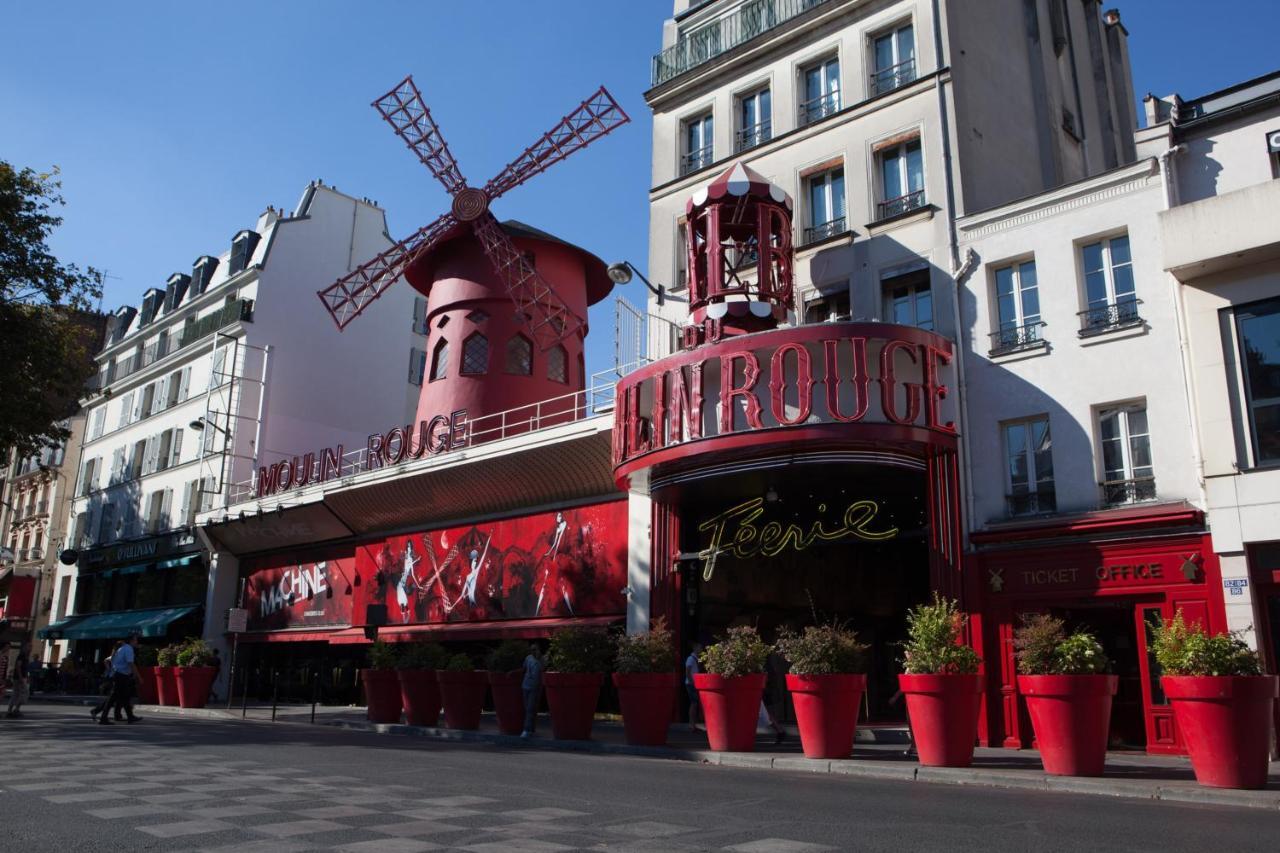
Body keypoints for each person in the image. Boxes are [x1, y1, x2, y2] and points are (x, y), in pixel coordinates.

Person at [99, 634, 141, 725]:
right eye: (135, 640)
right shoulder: (128, 649)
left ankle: (130, 716)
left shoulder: (122, 649)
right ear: (131, 641)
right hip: (121, 676)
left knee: (124, 697)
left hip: (119, 675)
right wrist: (138, 676)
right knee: (113, 697)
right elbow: (131, 663)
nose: (137, 642)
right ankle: (103, 717)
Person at [91, 642, 126, 721]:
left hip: (112, 676)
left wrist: (109, 668)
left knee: (116, 697)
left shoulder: (114, 655)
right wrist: (109, 669)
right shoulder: (117, 655)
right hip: (115, 677)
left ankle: (117, 715)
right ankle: (97, 711)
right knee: (112, 698)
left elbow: (105, 660)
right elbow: (106, 660)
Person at [520, 642, 544, 738]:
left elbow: (542, 669)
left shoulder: (541, 659)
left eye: (535, 649)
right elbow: (523, 668)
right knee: (528, 708)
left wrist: (538, 658)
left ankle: (526, 729)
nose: (533, 651)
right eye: (531, 650)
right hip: (526, 685)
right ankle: (531, 729)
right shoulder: (528, 658)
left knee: (530, 708)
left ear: (538, 650)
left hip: (535, 687)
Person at [6, 642, 31, 718]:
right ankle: (15, 710)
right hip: (19, 678)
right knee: (24, 693)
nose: (30, 648)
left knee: (16, 694)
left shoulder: (25, 656)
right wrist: (21, 678)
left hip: (21, 677)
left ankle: (11, 710)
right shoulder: (21, 656)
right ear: (24, 648)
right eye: (29, 646)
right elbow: (18, 666)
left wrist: (27, 676)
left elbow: (25, 668)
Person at [685, 642, 703, 731]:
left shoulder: (696, 659)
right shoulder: (691, 659)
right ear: (695, 648)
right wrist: (691, 681)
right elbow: (688, 670)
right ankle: (691, 724)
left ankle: (693, 724)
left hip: (695, 683)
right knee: (693, 703)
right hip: (691, 684)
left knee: (695, 704)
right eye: (699, 648)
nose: (701, 650)